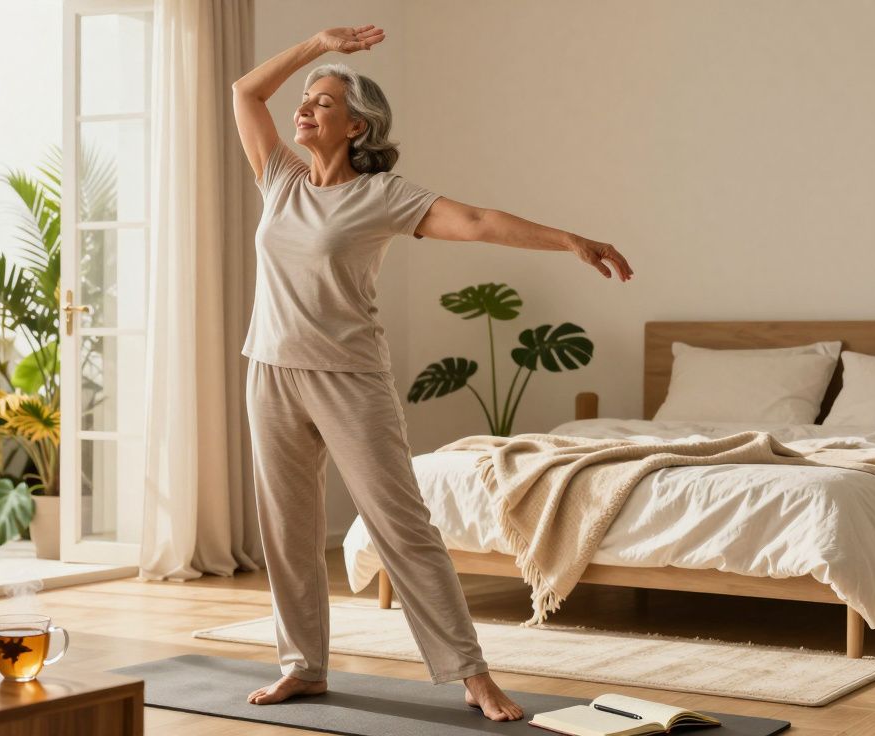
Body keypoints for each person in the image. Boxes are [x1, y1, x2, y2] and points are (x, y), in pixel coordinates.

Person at [231, 24, 633, 723]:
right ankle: (302, 666)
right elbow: (245, 92)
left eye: (322, 103)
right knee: (287, 529)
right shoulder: (280, 180)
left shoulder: (383, 197)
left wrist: (568, 239)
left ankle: (471, 676)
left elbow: (476, 221)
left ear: (357, 127)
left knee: (402, 527)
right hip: (269, 369)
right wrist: (316, 46)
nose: (305, 109)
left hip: (348, 378)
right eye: (306, 99)